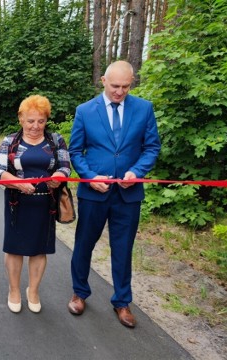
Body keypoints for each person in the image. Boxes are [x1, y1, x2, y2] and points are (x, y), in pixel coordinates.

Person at [67, 60, 161, 328]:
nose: (120, 91)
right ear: (104, 81)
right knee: (84, 244)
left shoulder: (143, 109)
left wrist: (137, 171)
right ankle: (79, 292)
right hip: (94, 193)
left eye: (126, 86)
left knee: (123, 248)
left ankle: (122, 301)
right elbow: (76, 152)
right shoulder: (85, 111)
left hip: (128, 196)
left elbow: (151, 147)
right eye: (115, 86)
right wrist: (88, 177)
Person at [0, 95, 71, 314]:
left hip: (46, 203)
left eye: (41, 121)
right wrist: (18, 183)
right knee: (14, 248)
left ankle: (33, 291)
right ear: (21, 119)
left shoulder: (56, 140)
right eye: (30, 121)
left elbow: (66, 166)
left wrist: (59, 175)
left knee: (39, 249)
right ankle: (14, 290)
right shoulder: (10, 142)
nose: (35, 126)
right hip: (17, 203)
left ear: (46, 120)